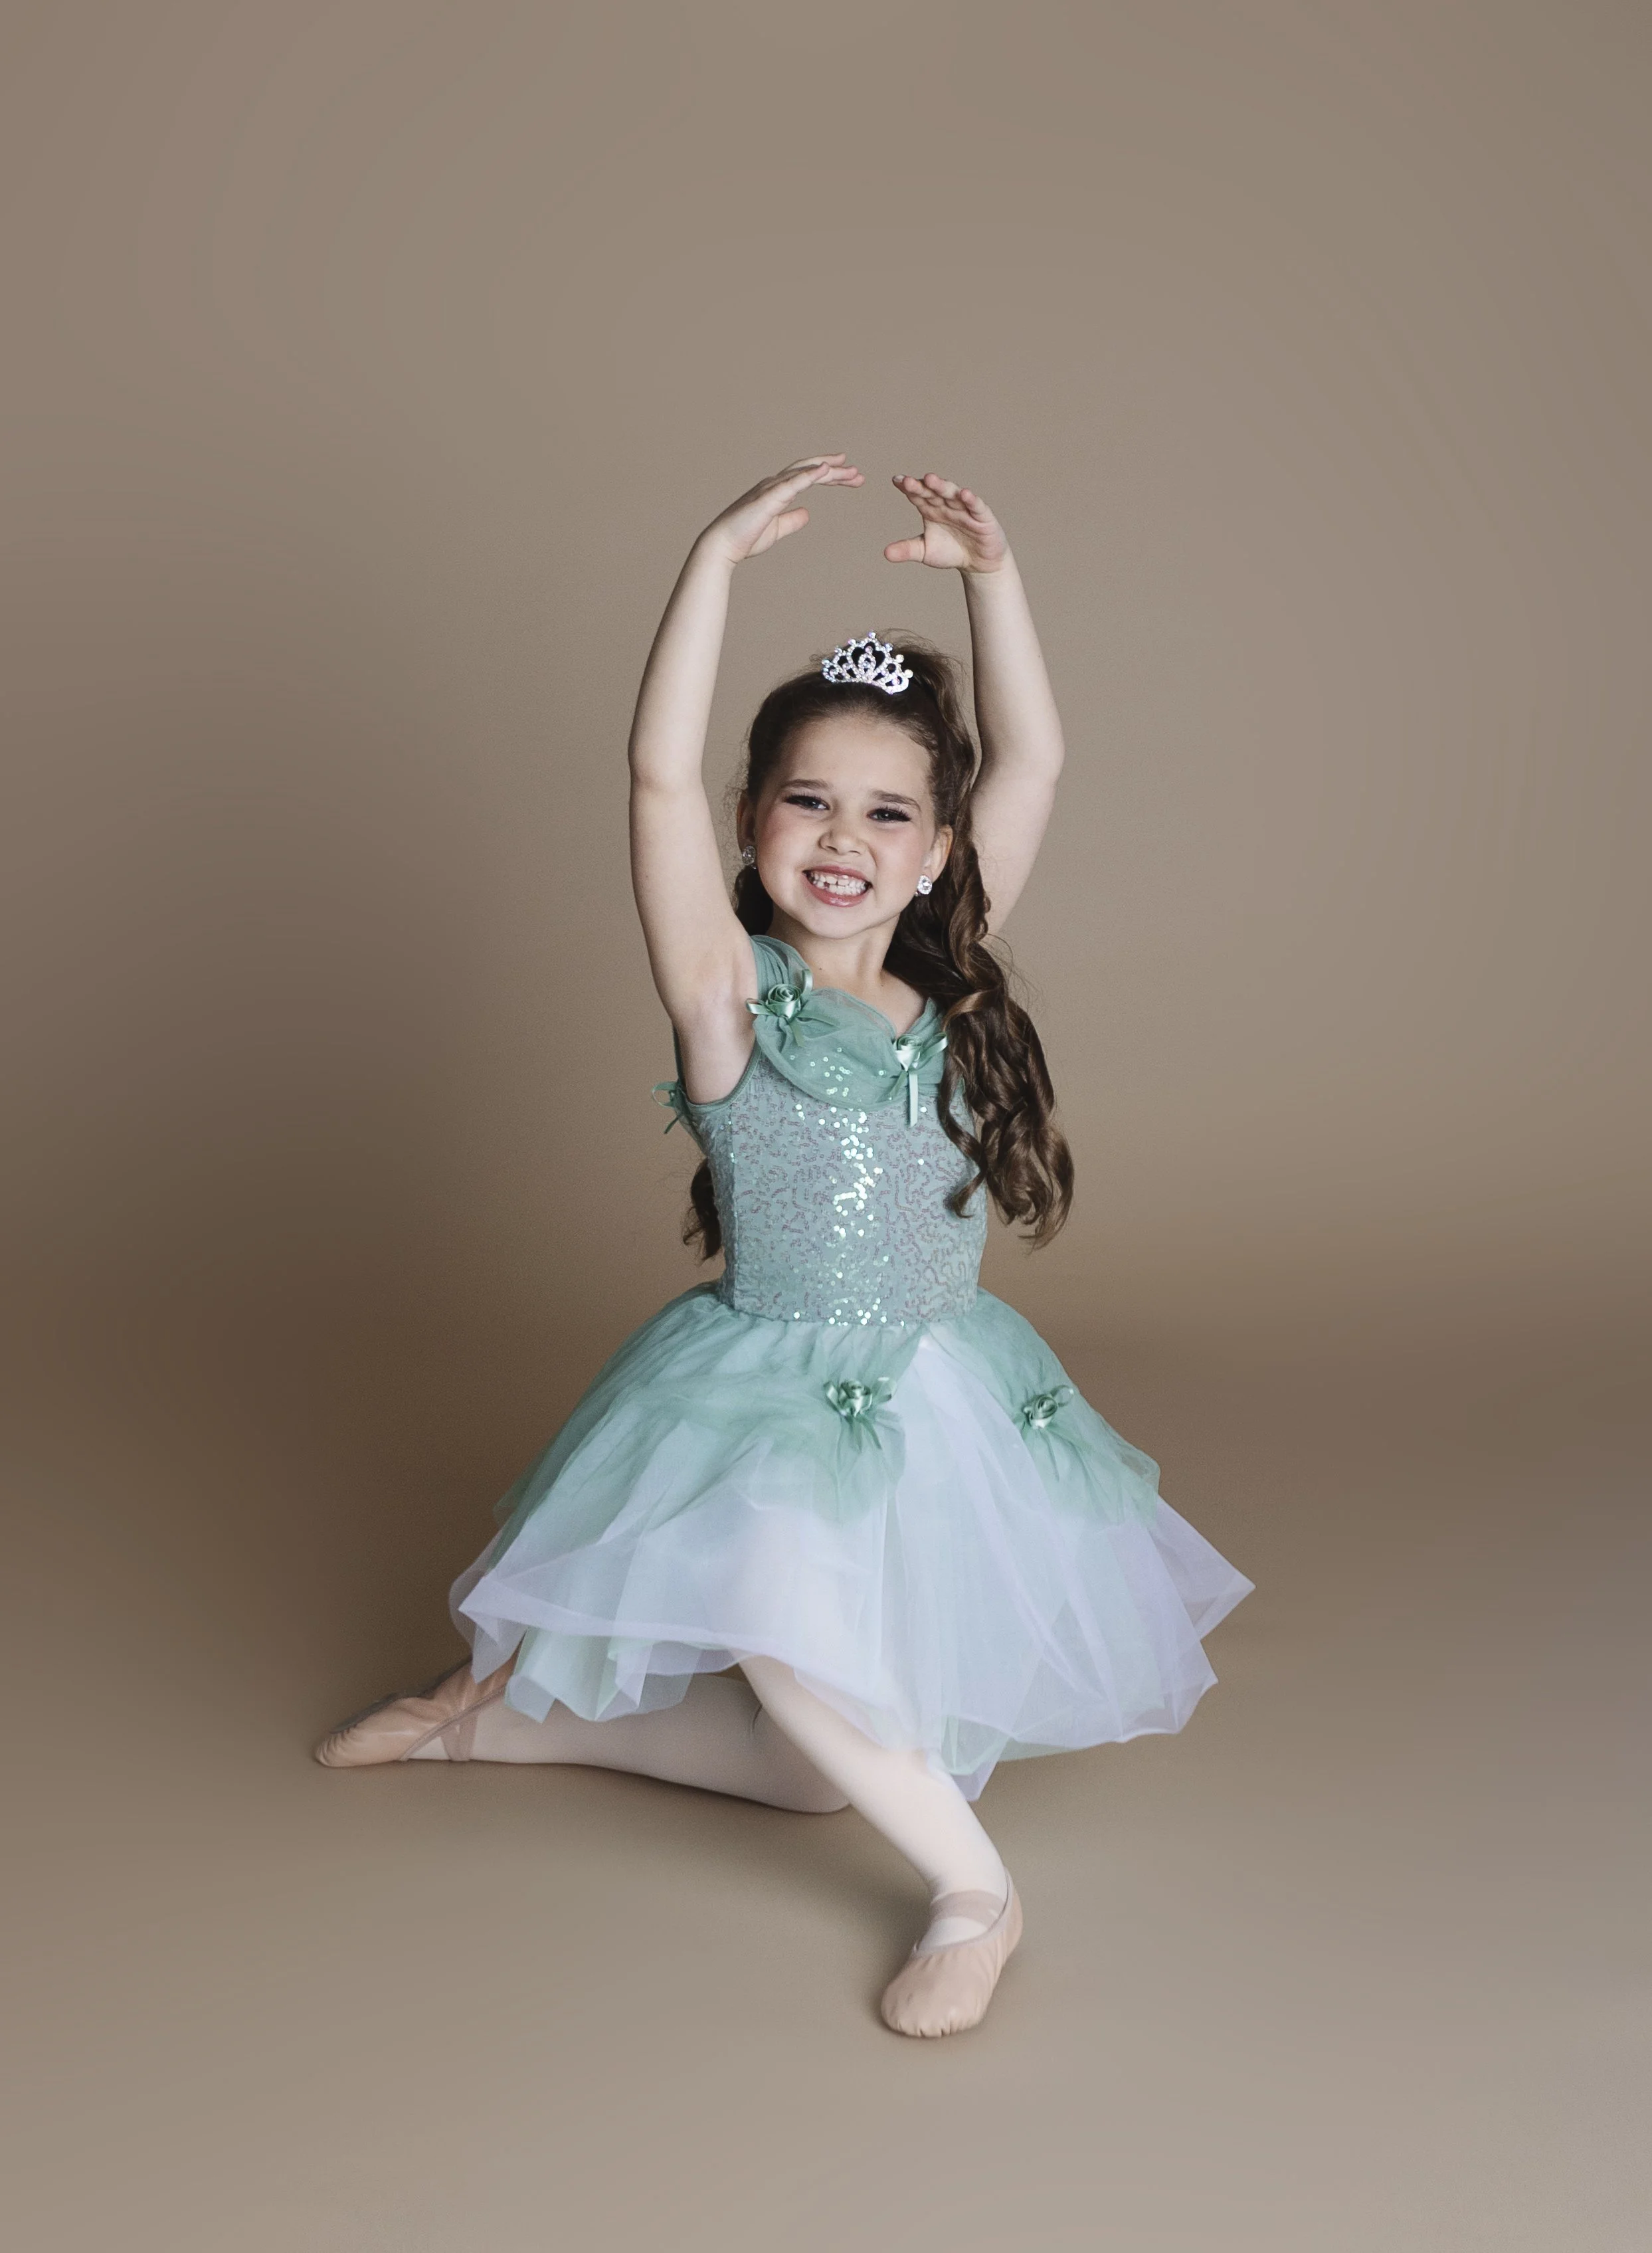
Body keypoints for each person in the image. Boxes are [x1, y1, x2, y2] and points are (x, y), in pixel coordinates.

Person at [316, 455, 1252, 2038]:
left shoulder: (951, 977)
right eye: (805, 799)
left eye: (888, 813)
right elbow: (649, 780)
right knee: (788, 1629)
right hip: (769, 1391)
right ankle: (978, 1894)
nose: (843, 837)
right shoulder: (729, 998)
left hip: (939, 1387)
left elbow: (1030, 758)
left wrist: (993, 575)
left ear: (938, 852)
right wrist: (713, 564)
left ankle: (489, 1732)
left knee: (809, 1779)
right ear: (754, 823)